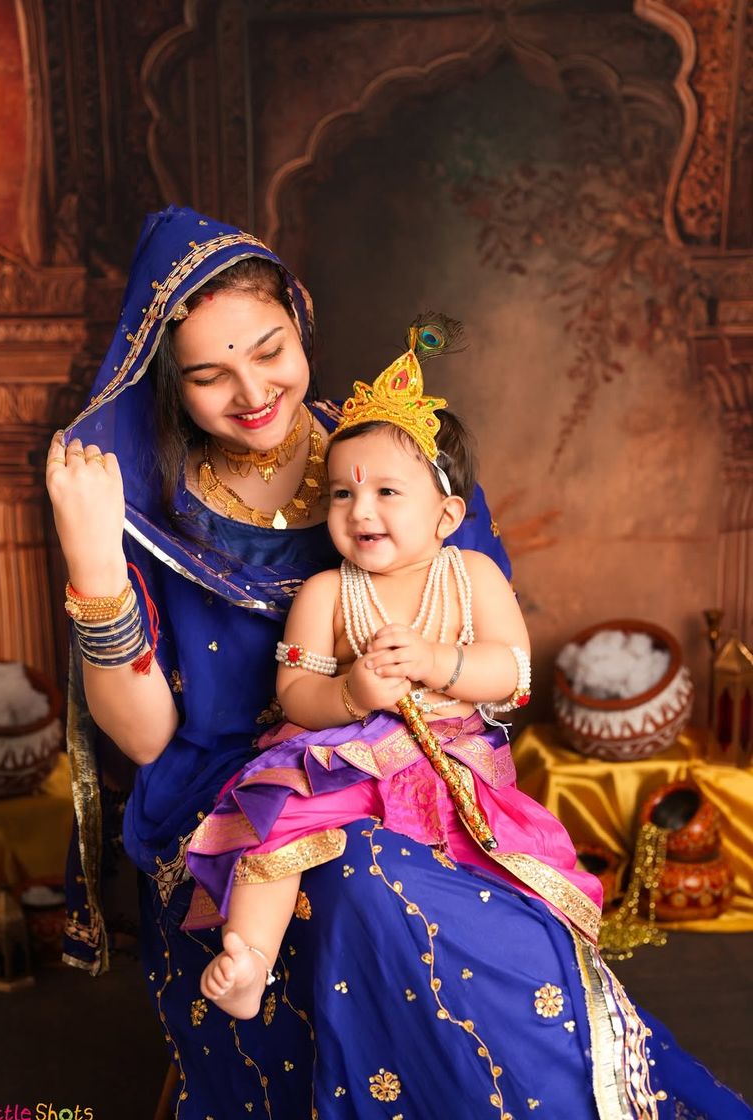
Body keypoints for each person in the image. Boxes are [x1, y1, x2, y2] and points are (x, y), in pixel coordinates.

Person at [47, 205, 752, 1119]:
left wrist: (429, 709)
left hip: (436, 771)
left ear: (300, 318)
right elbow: (147, 741)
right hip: (239, 796)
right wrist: (96, 565)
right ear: (170, 385)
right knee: (354, 882)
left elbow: (494, 665)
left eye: (270, 351)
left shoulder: (403, 456)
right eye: (209, 376)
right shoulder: (149, 512)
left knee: (473, 922)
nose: (252, 391)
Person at [187, 321, 604, 1022]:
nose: (361, 511)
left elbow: (512, 671)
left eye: (387, 492)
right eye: (342, 495)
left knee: (503, 868)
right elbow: (294, 694)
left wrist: (441, 662)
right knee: (276, 820)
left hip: (451, 760)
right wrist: (351, 694)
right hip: (343, 760)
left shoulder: (471, 576)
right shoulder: (326, 593)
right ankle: (251, 957)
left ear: (447, 515)